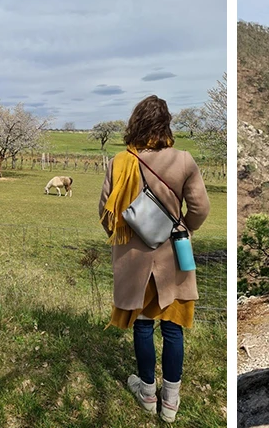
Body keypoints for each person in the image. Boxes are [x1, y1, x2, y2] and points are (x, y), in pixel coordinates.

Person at [99, 95, 210, 423]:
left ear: (136, 122)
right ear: (166, 124)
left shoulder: (120, 162)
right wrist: (181, 229)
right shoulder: (184, 160)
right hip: (173, 256)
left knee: (144, 325)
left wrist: (131, 234)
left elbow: (106, 214)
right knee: (173, 328)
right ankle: (171, 403)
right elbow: (201, 208)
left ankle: (148, 394)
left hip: (134, 260)